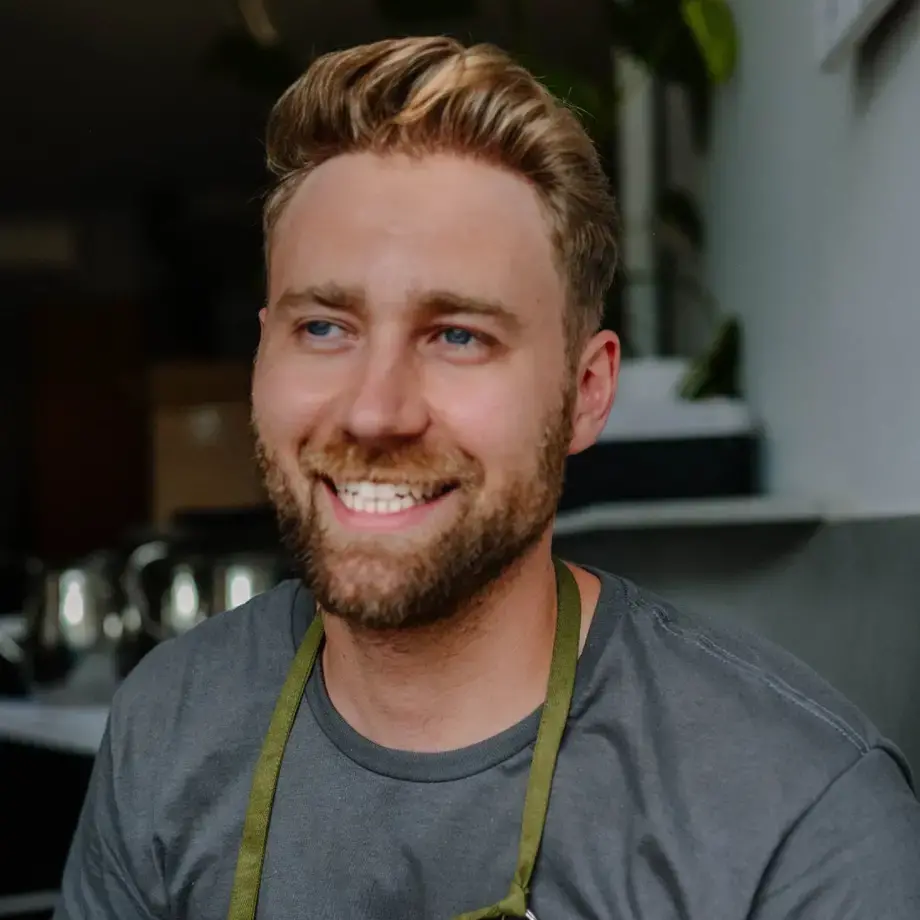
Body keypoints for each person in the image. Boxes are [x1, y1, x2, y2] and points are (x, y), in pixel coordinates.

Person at [55, 35, 920, 920]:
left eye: (458, 335)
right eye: (324, 328)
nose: (373, 410)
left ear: (586, 392)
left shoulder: (801, 818)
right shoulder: (167, 726)